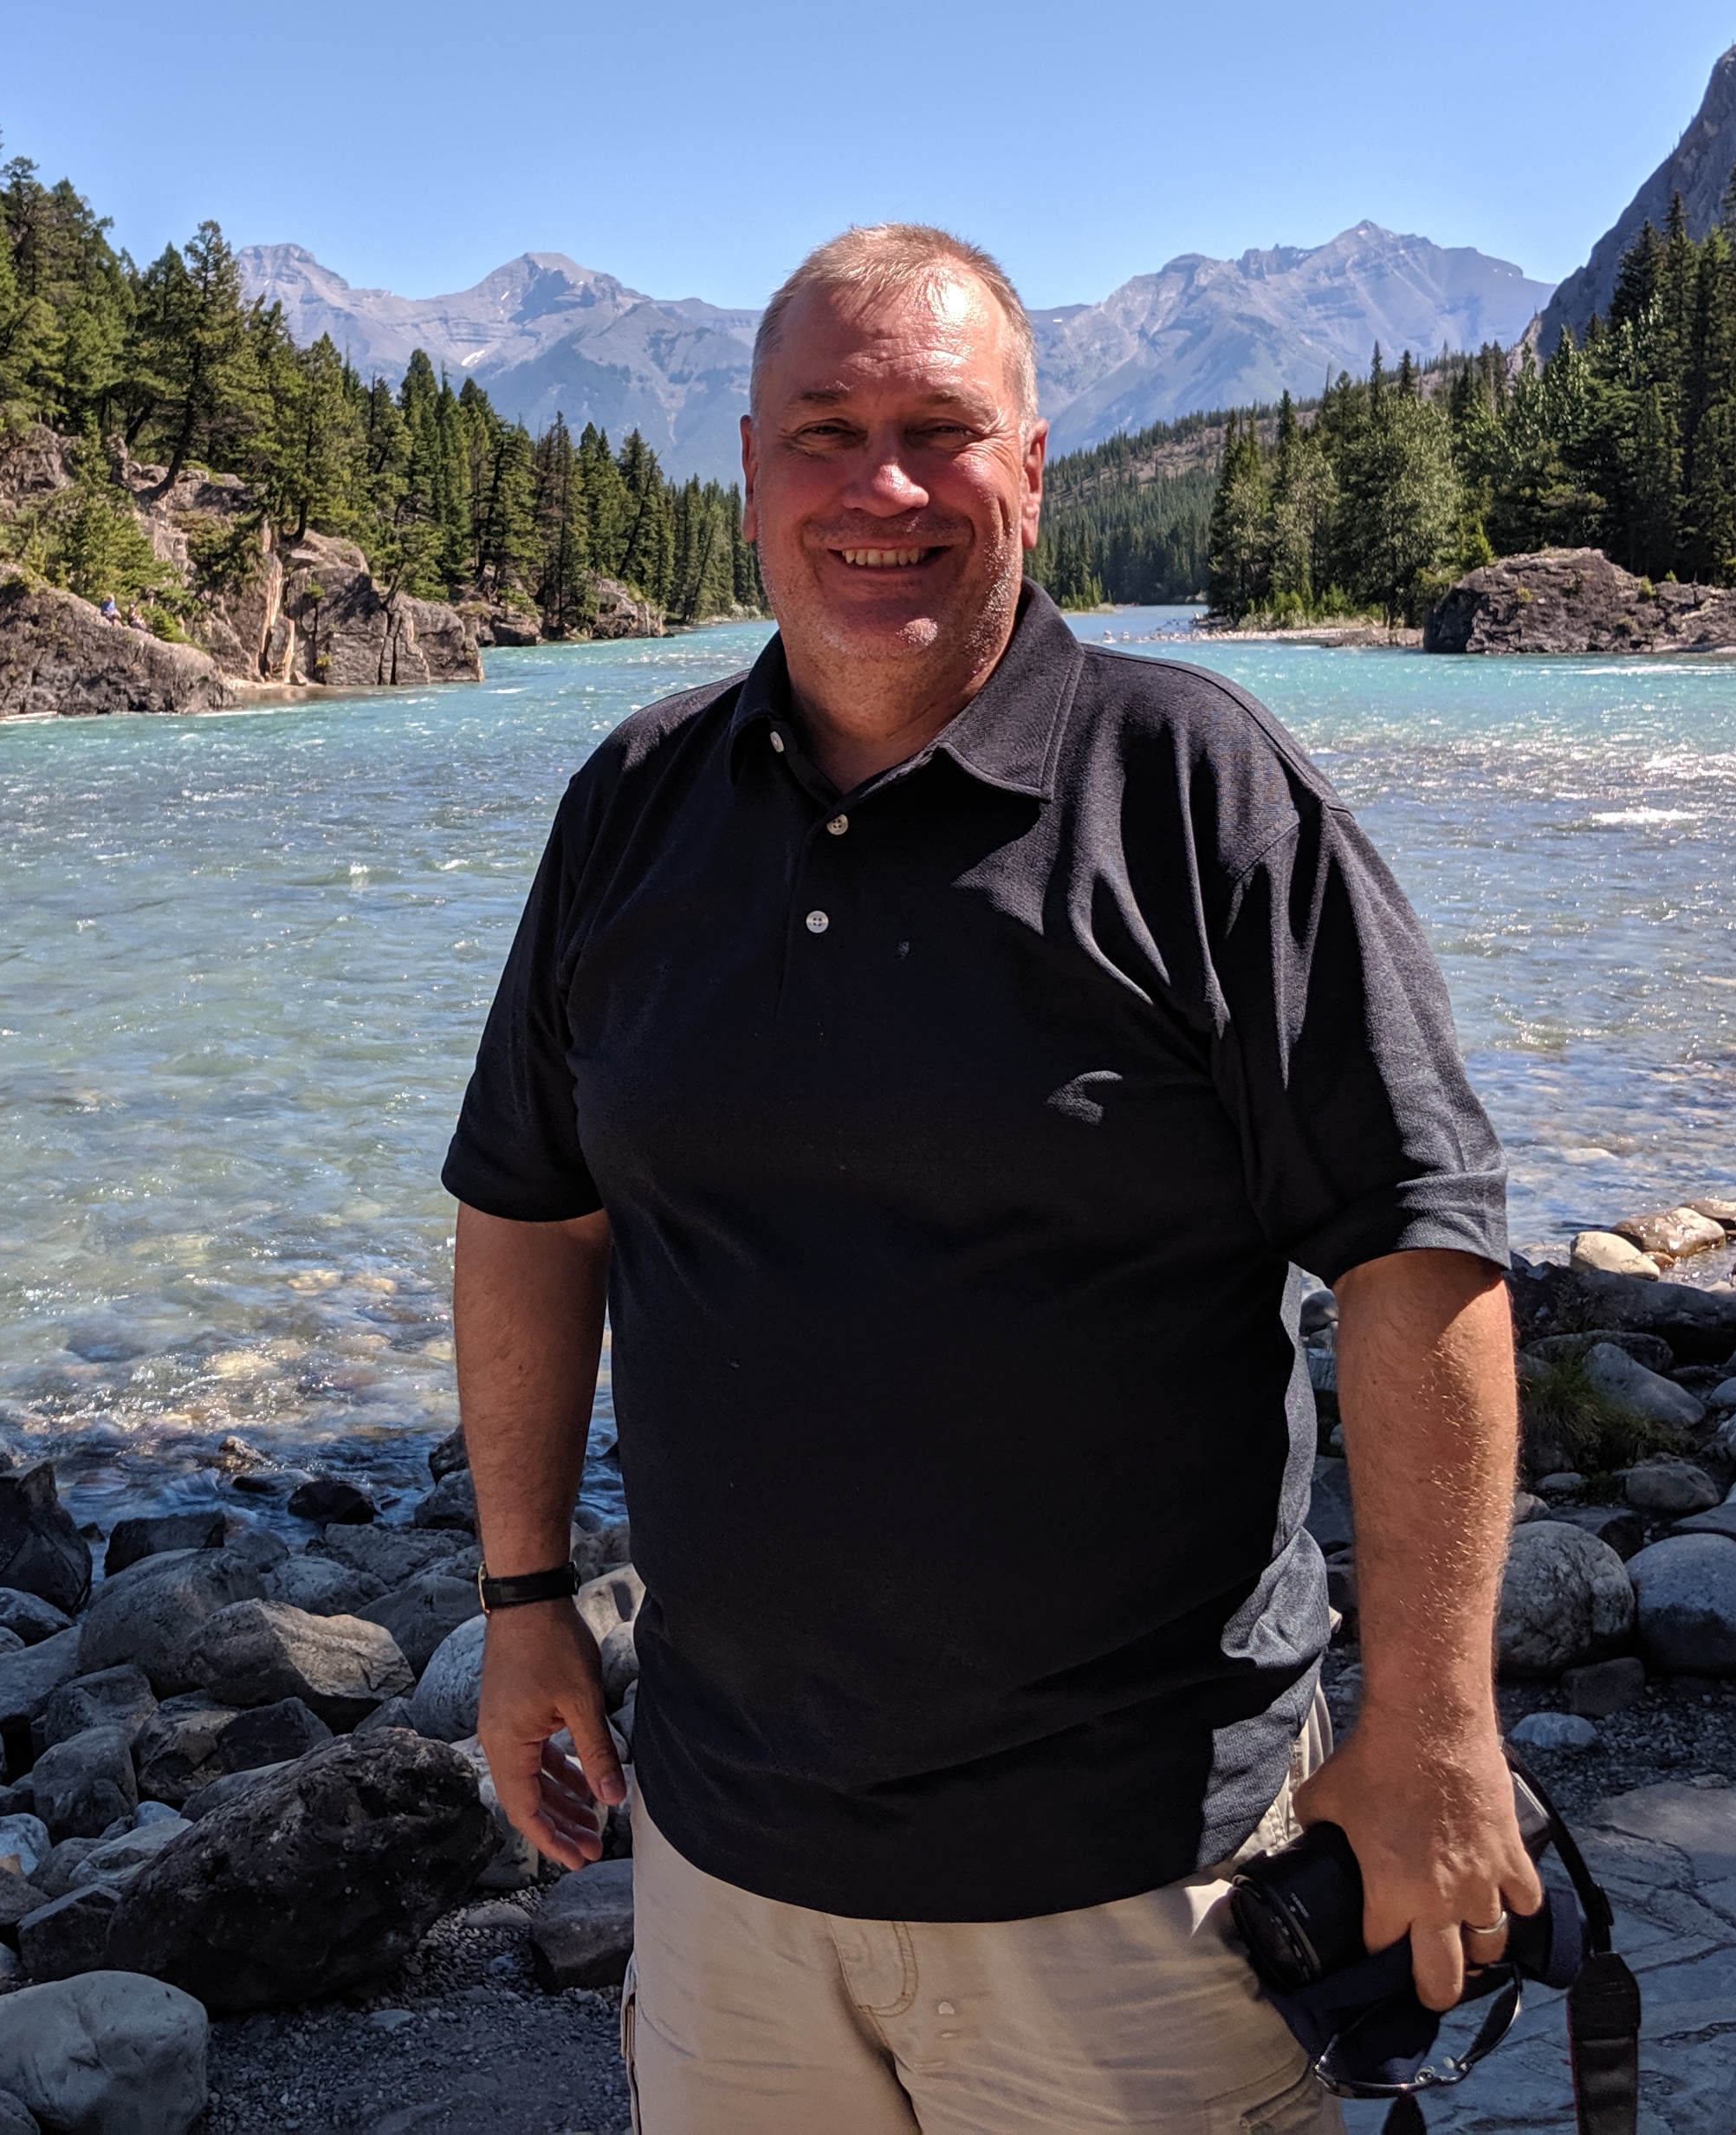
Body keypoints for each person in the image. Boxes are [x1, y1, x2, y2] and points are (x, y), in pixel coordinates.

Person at [441, 224, 1532, 2132]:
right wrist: (526, 1592)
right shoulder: (634, 802)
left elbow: (1418, 1252)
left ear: (1032, 468)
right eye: (824, 433)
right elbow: (533, 1210)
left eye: (940, 431)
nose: (880, 489)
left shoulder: (1199, 791)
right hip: (730, 1867)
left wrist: (1434, 1721)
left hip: (1127, 1880)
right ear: (752, 478)